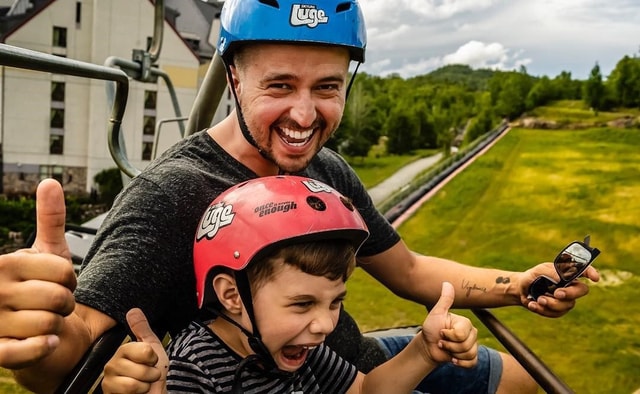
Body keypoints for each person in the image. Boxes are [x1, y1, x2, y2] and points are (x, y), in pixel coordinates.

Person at [0, 0, 599, 393]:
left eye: (328, 87)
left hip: (356, 370)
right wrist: (34, 332)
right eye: (280, 85)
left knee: (519, 381)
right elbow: (73, 347)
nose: (305, 115)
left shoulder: (327, 171)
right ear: (233, 76)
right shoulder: (174, 194)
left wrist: (517, 285)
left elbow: (409, 269)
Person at [100, 176, 478, 393]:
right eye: (302, 304)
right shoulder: (195, 367)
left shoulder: (296, 347)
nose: (326, 325)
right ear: (232, 295)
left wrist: (425, 352)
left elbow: (364, 391)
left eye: (334, 303)